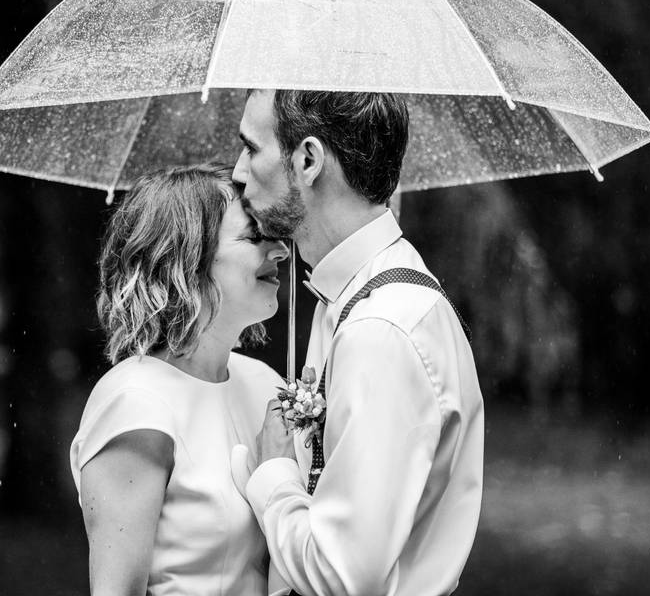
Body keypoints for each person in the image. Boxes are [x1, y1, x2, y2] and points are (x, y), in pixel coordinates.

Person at [230, 90, 484, 596]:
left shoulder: (381, 330)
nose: (238, 171)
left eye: (251, 148)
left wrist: (274, 476)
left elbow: (342, 574)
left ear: (307, 160)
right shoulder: (349, 301)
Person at [69, 163, 290, 595]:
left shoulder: (266, 385)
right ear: (187, 259)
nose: (281, 249)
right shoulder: (137, 404)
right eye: (255, 236)